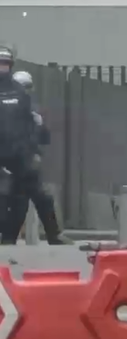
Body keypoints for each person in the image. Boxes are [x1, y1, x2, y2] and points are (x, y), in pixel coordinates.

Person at [1, 70, 70, 245]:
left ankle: (12, 238)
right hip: (13, 160)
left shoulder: (30, 110)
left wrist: (39, 126)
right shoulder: (8, 111)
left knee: (33, 198)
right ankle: (11, 238)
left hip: (26, 160)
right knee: (22, 200)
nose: (25, 91)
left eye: (28, 87)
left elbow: (43, 138)